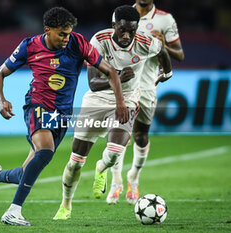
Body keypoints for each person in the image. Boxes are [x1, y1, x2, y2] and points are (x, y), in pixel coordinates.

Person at [0, 7, 129, 226]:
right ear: (47, 30)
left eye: (68, 33)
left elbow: (110, 72)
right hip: (38, 106)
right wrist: (1, 100)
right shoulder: (29, 46)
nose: (67, 38)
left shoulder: (78, 43)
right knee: (45, 151)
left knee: (28, 171)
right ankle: (13, 211)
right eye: (62, 34)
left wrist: (120, 103)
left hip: (62, 114)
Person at [53, 5, 172, 220]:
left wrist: (167, 72)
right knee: (76, 160)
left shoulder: (145, 42)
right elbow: (93, 83)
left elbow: (162, 50)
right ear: (114, 25)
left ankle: (101, 168)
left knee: (115, 150)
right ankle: (66, 204)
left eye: (132, 31)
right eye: (122, 30)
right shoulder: (100, 40)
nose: (127, 36)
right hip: (97, 100)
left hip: (127, 100)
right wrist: (117, 76)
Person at [106, 0, 185, 205]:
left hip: (148, 86)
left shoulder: (165, 19)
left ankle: (134, 176)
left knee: (141, 135)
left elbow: (180, 55)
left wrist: (163, 45)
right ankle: (116, 181)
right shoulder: (122, 14)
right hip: (123, 84)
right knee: (119, 135)